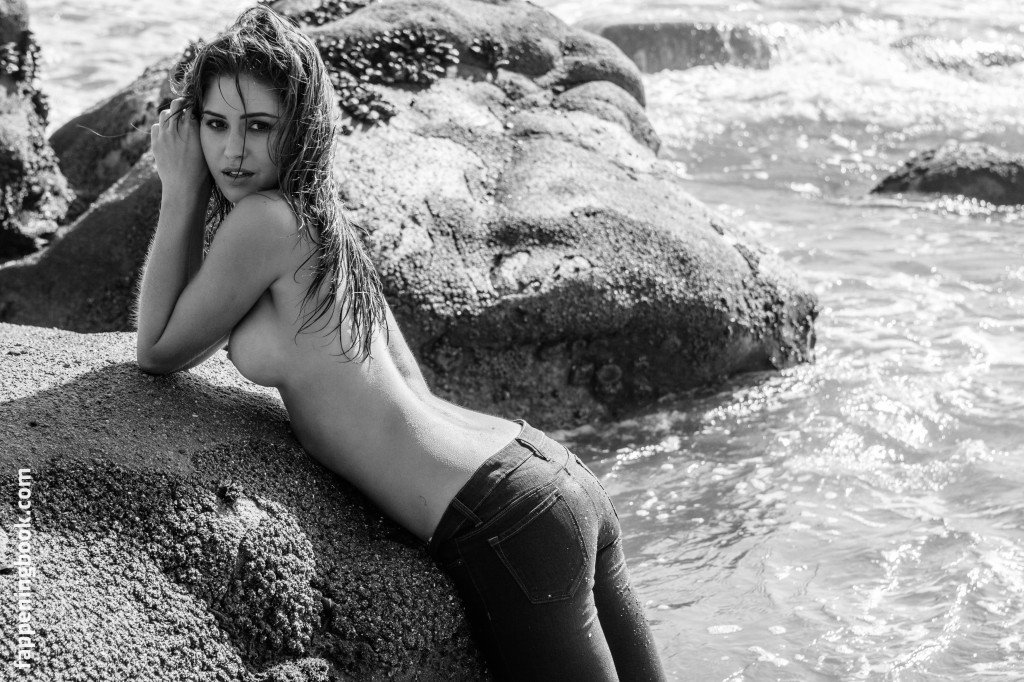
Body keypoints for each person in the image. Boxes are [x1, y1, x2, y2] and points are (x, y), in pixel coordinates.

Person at [135, 7, 665, 680]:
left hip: (501, 516)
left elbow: (157, 351)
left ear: (300, 127)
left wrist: (179, 190)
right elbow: (408, 386)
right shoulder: (325, 225)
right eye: (215, 125)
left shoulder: (264, 221)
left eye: (259, 126)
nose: (233, 151)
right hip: (542, 470)